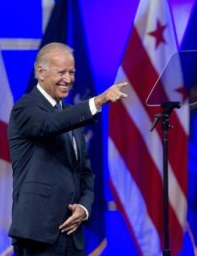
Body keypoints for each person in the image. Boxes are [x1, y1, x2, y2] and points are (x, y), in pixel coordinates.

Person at [8, 42, 128, 255]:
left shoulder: (72, 115)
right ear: (40, 73)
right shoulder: (25, 108)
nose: (69, 79)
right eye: (61, 72)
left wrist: (83, 208)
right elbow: (50, 124)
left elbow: (85, 174)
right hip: (38, 233)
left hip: (72, 235)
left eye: (71, 72)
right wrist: (98, 101)